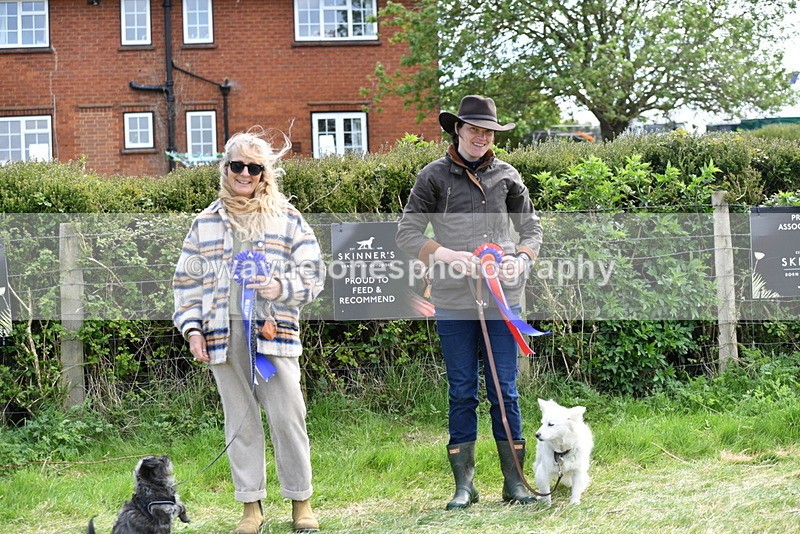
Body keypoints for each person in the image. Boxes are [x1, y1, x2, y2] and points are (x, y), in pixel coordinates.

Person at [172, 128, 325, 533]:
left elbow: (314, 272)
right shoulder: (204, 222)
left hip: (275, 334)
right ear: (226, 169)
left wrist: (280, 287)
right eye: (237, 165)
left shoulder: (287, 217)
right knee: (239, 420)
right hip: (223, 336)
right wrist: (192, 330)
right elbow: (186, 283)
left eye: (254, 168)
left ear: (265, 174)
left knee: (289, 416)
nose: (245, 173)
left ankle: (301, 502)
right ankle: (250, 507)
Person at [396, 95, 543, 509]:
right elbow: (406, 233)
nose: (481, 136)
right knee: (462, 390)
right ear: (457, 130)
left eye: (488, 131)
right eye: (474, 128)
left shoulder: (508, 177)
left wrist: (521, 259)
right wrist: (444, 255)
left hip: (503, 301)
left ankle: (514, 481)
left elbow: (531, 229)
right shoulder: (432, 177)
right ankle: (464, 486)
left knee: (505, 391)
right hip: (451, 300)